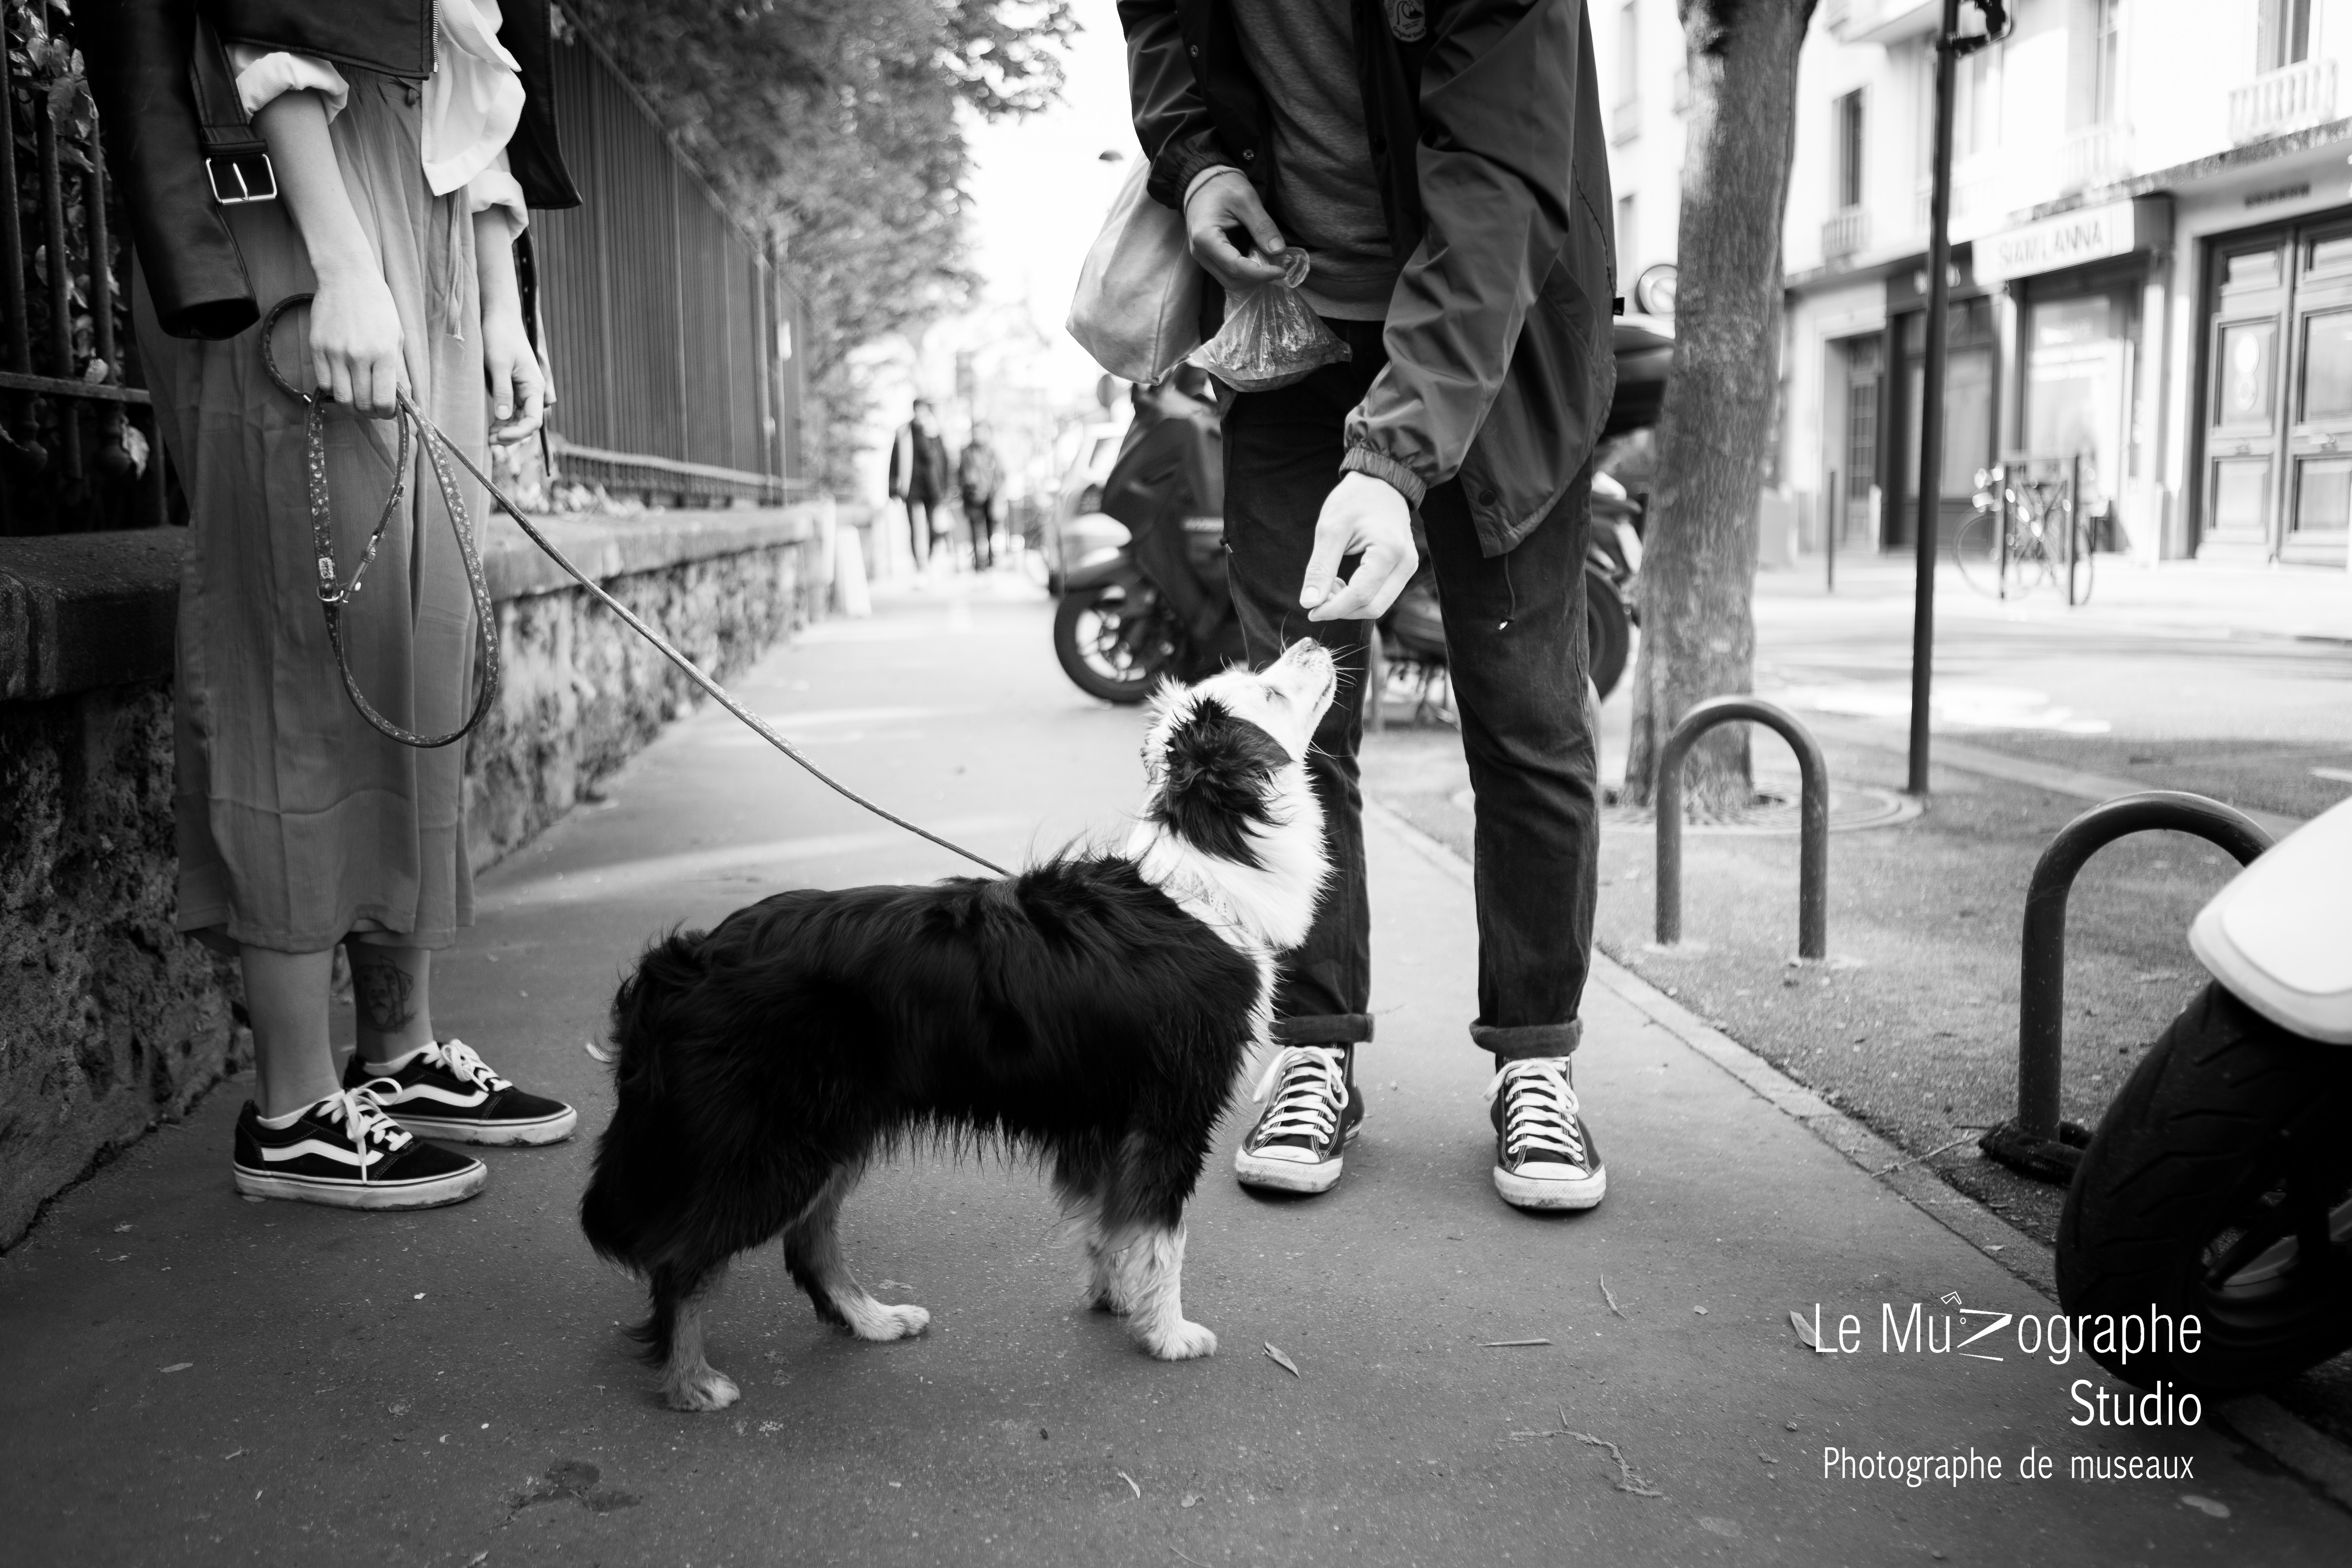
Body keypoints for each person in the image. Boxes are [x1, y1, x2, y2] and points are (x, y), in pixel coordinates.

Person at [1120, 0, 1618, 1211]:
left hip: (1493, 340)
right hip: (1293, 330)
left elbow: (1501, 182)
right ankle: (1312, 1046)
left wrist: (1391, 463)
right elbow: (1160, 36)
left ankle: (1535, 1062)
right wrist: (1197, 171)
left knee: (1524, 708)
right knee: (1293, 709)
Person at [88, 0, 582, 1209]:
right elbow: (271, 26)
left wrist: (502, 306)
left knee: (420, 634)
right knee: (304, 640)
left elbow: (475, 66)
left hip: (417, 197)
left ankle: (399, 1050)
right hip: (291, 186)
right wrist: (338, 262)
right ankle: (296, 1104)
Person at [888, 399, 953, 570]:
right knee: (913, 527)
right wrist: (893, 488)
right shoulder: (904, 432)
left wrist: (946, 488)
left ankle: (930, 557)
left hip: (932, 487)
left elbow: (944, 462)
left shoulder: (935, 433)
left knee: (933, 526)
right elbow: (894, 461)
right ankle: (919, 563)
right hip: (911, 486)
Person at [957, 420, 1006, 570]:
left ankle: (990, 560)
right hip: (972, 496)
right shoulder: (966, 451)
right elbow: (960, 473)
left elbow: (1001, 474)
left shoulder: (992, 452)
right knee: (975, 530)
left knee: (990, 529)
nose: (978, 435)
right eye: (976, 431)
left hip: (990, 497)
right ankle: (979, 563)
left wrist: (998, 492)